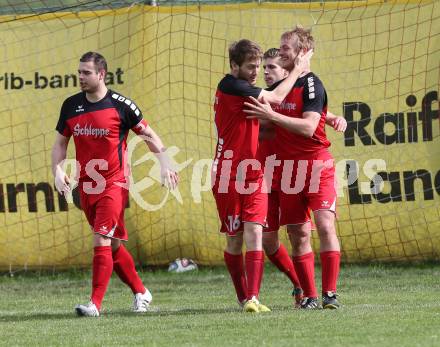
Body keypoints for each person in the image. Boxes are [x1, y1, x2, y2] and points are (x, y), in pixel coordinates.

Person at [51, 51, 178, 317]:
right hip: (87, 185)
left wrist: (165, 162)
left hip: (114, 184)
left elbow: (148, 134)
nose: (81, 77)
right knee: (115, 246)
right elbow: (61, 143)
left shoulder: (122, 105)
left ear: (102, 74)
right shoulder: (71, 105)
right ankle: (142, 292)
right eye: (79, 72)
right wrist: (57, 169)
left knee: (102, 239)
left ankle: (94, 304)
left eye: (86, 73)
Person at [245, 27, 342, 309]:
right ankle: (310, 297)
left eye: (285, 47)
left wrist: (271, 115)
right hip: (288, 172)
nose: (280, 50)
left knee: (324, 226)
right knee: (298, 234)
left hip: (316, 166)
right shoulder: (279, 88)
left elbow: (310, 126)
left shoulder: (312, 84)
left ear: (300, 53)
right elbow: (267, 109)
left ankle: (330, 294)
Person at [212, 39, 311, 313]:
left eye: (259, 67)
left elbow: (278, 109)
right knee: (234, 239)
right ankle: (243, 297)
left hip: (253, 172)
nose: (256, 72)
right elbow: (278, 99)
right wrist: (298, 69)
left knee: (256, 232)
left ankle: (253, 298)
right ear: (234, 66)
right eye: (251, 67)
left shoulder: (245, 88)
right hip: (228, 174)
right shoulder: (232, 86)